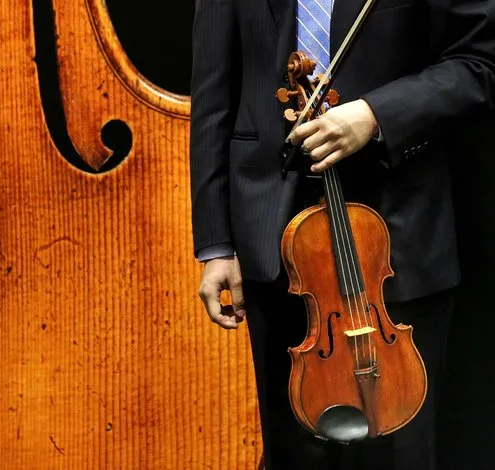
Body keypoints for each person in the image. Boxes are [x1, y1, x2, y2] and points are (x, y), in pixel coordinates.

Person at [189, 0, 495, 468]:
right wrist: (217, 243)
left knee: (403, 449)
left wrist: (376, 114)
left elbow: (480, 61)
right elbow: (213, 96)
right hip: (272, 236)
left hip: (397, 233)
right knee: (294, 448)